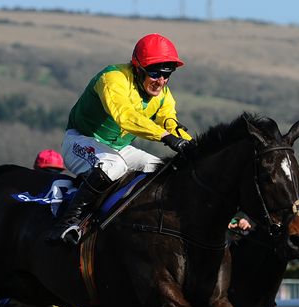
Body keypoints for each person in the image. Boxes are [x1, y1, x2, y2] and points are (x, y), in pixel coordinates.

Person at [47, 33, 194, 245]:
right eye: (154, 73)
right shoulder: (112, 78)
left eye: (167, 73)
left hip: (119, 147)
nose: (161, 81)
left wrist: (194, 146)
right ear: (137, 68)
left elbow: (169, 121)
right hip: (80, 140)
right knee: (112, 165)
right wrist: (165, 137)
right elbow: (124, 117)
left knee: (160, 169)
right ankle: (68, 221)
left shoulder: (163, 94)